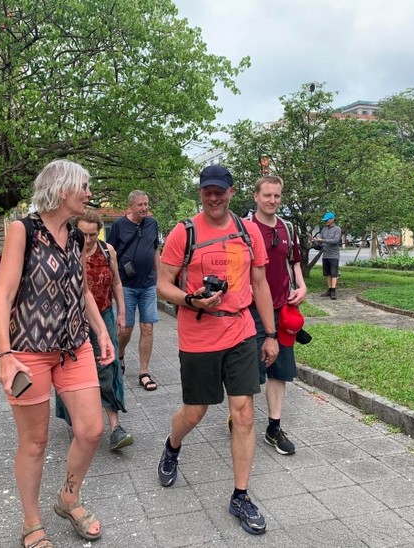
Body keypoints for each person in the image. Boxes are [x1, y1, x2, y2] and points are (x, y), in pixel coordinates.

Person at [0, 159, 114, 547]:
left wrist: (100, 331)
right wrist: (3, 355)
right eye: (85, 186)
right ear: (62, 189)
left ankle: (68, 498)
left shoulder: (77, 237)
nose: (89, 193)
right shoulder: (22, 230)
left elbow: (80, 291)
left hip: (74, 347)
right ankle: (32, 522)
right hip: (28, 350)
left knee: (92, 429)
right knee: (35, 442)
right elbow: (4, 294)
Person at [156, 165, 278, 536]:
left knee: (243, 414)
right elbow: (163, 285)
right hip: (198, 336)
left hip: (241, 331)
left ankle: (240, 496)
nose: (213, 197)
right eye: (207, 191)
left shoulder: (247, 231)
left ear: (231, 191)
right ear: (200, 193)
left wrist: (269, 333)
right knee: (195, 412)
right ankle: (172, 445)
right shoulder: (184, 232)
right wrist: (192, 300)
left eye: (219, 191)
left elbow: (259, 284)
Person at [55, 210, 132, 451]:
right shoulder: (65, 251)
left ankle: (115, 427)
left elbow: (117, 282)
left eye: (92, 234)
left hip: (104, 313)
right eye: (83, 234)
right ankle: (78, 421)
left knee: (108, 367)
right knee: (71, 369)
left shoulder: (107, 251)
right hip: (71, 319)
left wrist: (122, 312)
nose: (88, 240)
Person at [246, 175, 307, 455]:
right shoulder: (245, 228)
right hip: (251, 310)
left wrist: (302, 284)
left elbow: (294, 261)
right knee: (248, 372)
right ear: (256, 196)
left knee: (279, 370)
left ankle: (273, 427)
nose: (272, 201)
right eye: (267, 195)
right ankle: (240, 417)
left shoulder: (287, 227)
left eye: (277, 196)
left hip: (282, 308)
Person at [106, 190, 160, 391]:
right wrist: (113, 280)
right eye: (140, 205)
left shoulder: (152, 224)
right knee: (126, 328)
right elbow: (110, 252)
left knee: (147, 327)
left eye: (146, 204)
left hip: (148, 285)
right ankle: (119, 356)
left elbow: (155, 250)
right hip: (126, 286)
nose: (144, 208)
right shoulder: (119, 225)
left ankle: (144, 372)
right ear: (131, 206)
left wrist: (159, 277)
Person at [314, 212, 342, 299]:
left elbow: (335, 241)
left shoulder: (337, 229)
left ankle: (333, 291)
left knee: (334, 274)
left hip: (334, 255)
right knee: (327, 274)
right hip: (325, 254)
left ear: (332, 219)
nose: (325, 221)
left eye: (327, 220)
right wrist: (316, 241)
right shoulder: (324, 230)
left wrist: (323, 240)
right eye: (325, 220)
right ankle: (329, 289)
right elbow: (321, 241)